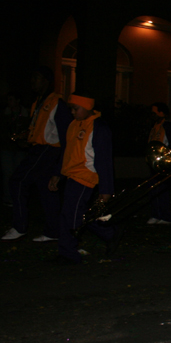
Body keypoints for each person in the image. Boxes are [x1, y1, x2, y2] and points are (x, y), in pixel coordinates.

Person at [2, 67, 72, 242]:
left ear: (46, 81)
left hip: (48, 150)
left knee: (17, 181)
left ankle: (19, 227)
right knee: (47, 189)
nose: (33, 81)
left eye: (37, 78)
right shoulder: (38, 103)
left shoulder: (57, 103)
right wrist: (25, 139)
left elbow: (65, 136)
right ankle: (53, 231)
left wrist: (60, 165)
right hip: (39, 148)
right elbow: (41, 129)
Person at [48, 93, 117, 263]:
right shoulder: (74, 125)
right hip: (72, 175)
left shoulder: (98, 127)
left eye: (75, 108)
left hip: (86, 176)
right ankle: (110, 234)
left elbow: (104, 159)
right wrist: (58, 173)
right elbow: (67, 151)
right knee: (75, 213)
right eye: (71, 108)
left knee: (70, 214)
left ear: (87, 107)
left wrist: (106, 189)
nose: (72, 112)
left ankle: (68, 252)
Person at [147, 102, 171, 225]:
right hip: (154, 162)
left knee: (162, 189)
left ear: (162, 113)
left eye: (154, 112)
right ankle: (155, 214)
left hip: (163, 163)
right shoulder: (154, 126)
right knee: (152, 189)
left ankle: (165, 217)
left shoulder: (167, 126)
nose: (153, 115)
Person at [1, 92, 29, 206]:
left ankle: (18, 197)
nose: (9, 102)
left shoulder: (25, 115)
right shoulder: (4, 114)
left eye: (11, 99)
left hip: (20, 149)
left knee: (18, 173)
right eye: (8, 100)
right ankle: (8, 198)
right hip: (6, 147)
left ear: (17, 101)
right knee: (7, 173)